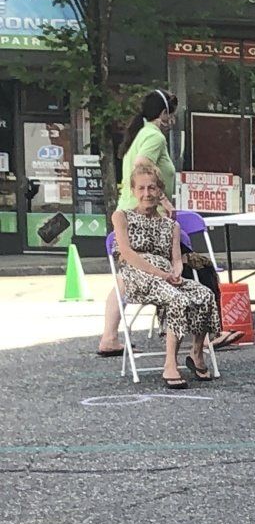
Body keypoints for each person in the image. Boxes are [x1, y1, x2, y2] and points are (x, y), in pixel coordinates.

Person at [110, 159, 218, 390]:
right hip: (138, 276)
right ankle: (170, 364)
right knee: (176, 298)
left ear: (160, 190)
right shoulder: (122, 217)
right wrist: (161, 274)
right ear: (133, 190)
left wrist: (176, 273)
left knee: (205, 294)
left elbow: (177, 260)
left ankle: (196, 353)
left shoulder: (171, 226)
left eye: (152, 187)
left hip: (166, 276)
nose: (147, 193)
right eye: (141, 188)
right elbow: (127, 254)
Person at [98, 90, 178, 358]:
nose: (173, 119)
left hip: (130, 211)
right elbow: (143, 165)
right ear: (164, 114)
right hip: (142, 216)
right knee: (184, 264)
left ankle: (109, 336)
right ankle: (190, 328)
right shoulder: (154, 135)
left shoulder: (141, 133)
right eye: (172, 113)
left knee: (124, 276)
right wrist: (162, 200)